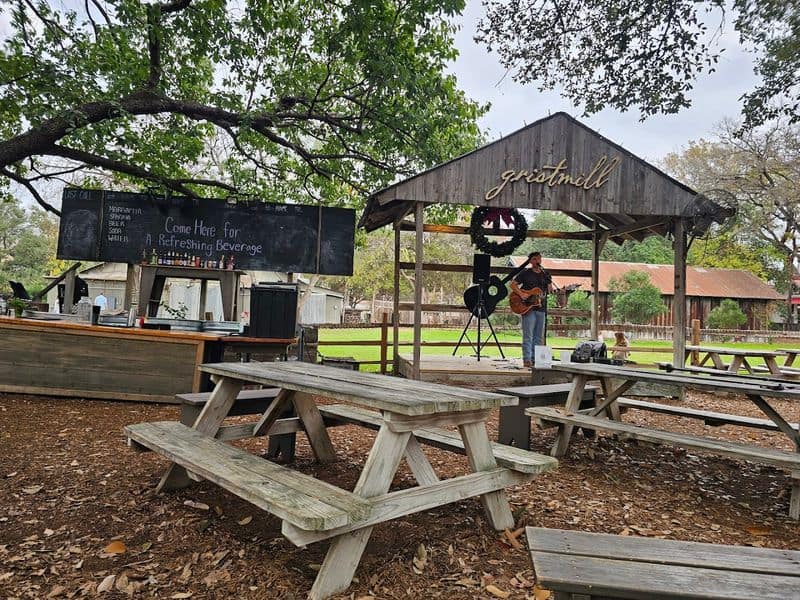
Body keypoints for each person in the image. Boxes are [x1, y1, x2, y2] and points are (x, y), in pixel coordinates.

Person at [510, 251, 553, 367]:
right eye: (534, 259)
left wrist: (553, 287)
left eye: (539, 259)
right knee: (528, 335)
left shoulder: (546, 274)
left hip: (541, 308)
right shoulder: (525, 273)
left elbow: (550, 290)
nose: (537, 261)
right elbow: (513, 284)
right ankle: (527, 359)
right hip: (527, 307)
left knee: (538, 336)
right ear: (530, 261)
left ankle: (536, 359)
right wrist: (522, 294)